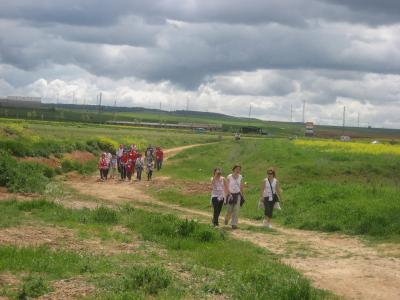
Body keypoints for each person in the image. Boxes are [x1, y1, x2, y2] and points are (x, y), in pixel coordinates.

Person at [225, 165, 244, 229]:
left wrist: (242, 195)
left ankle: (234, 224)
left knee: (236, 210)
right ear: (234, 169)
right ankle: (227, 219)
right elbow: (227, 186)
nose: (238, 170)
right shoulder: (229, 176)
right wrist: (228, 194)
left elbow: (241, 186)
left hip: (237, 194)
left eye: (239, 169)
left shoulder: (240, 177)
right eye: (237, 169)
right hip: (230, 195)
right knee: (229, 210)